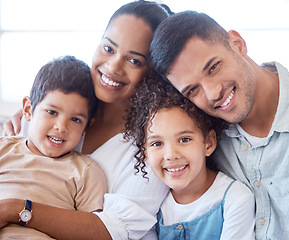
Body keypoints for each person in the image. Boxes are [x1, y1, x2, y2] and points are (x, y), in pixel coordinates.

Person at [149, 10, 289, 240]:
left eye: (213, 67)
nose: (212, 93)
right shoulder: (205, 136)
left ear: (237, 44)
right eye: (193, 90)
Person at [0, 1, 172, 239]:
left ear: (153, 72)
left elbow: (113, 230)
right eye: (108, 48)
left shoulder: (151, 145)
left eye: (134, 60)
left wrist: (16, 209)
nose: (113, 66)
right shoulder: (54, 101)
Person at [124, 72, 255, 240]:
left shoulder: (235, 198)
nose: (171, 155)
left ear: (208, 143)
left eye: (184, 139)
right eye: (157, 143)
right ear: (145, 153)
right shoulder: (152, 208)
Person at [0, 55, 107, 239]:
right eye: (51, 112)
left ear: (87, 126)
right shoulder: (4, 149)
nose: (61, 127)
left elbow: (90, 231)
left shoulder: (86, 172)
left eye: (75, 119)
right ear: (28, 109)